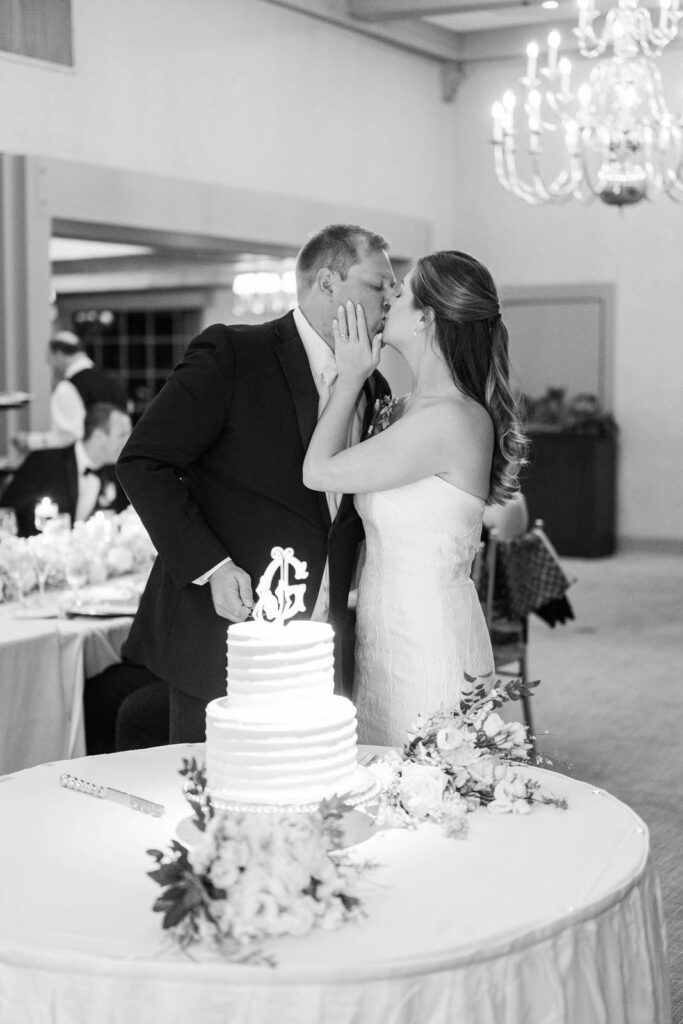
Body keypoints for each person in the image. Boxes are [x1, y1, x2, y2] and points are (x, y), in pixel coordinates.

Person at [116, 224, 397, 744]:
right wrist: (212, 566)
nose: (392, 298)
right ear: (328, 284)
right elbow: (142, 461)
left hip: (319, 643)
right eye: (380, 285)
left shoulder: (371, 384)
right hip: (223, 632)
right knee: (211, 802)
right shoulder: (234, 354)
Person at [303, 250, 528, 746]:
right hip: (382, 629)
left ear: (426, 317)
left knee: (427, 790)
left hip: (428, 636)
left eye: (399, 291)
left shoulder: (452, 418)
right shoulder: (401, 409)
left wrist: (351, 376)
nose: (387, 299)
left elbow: (319, 472)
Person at [1, 401, 131, 536]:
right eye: (123, 435)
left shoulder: (115, 474)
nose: (129, 442)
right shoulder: (44, 462)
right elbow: (8, 511)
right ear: (98, 436)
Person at [13, 330, 128, 453]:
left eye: (51, 361)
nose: (52, 368)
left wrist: (30, 441)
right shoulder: (113, 383)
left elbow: (69, 437)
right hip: (117, 460)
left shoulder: (67, 388)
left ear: (59, 355)